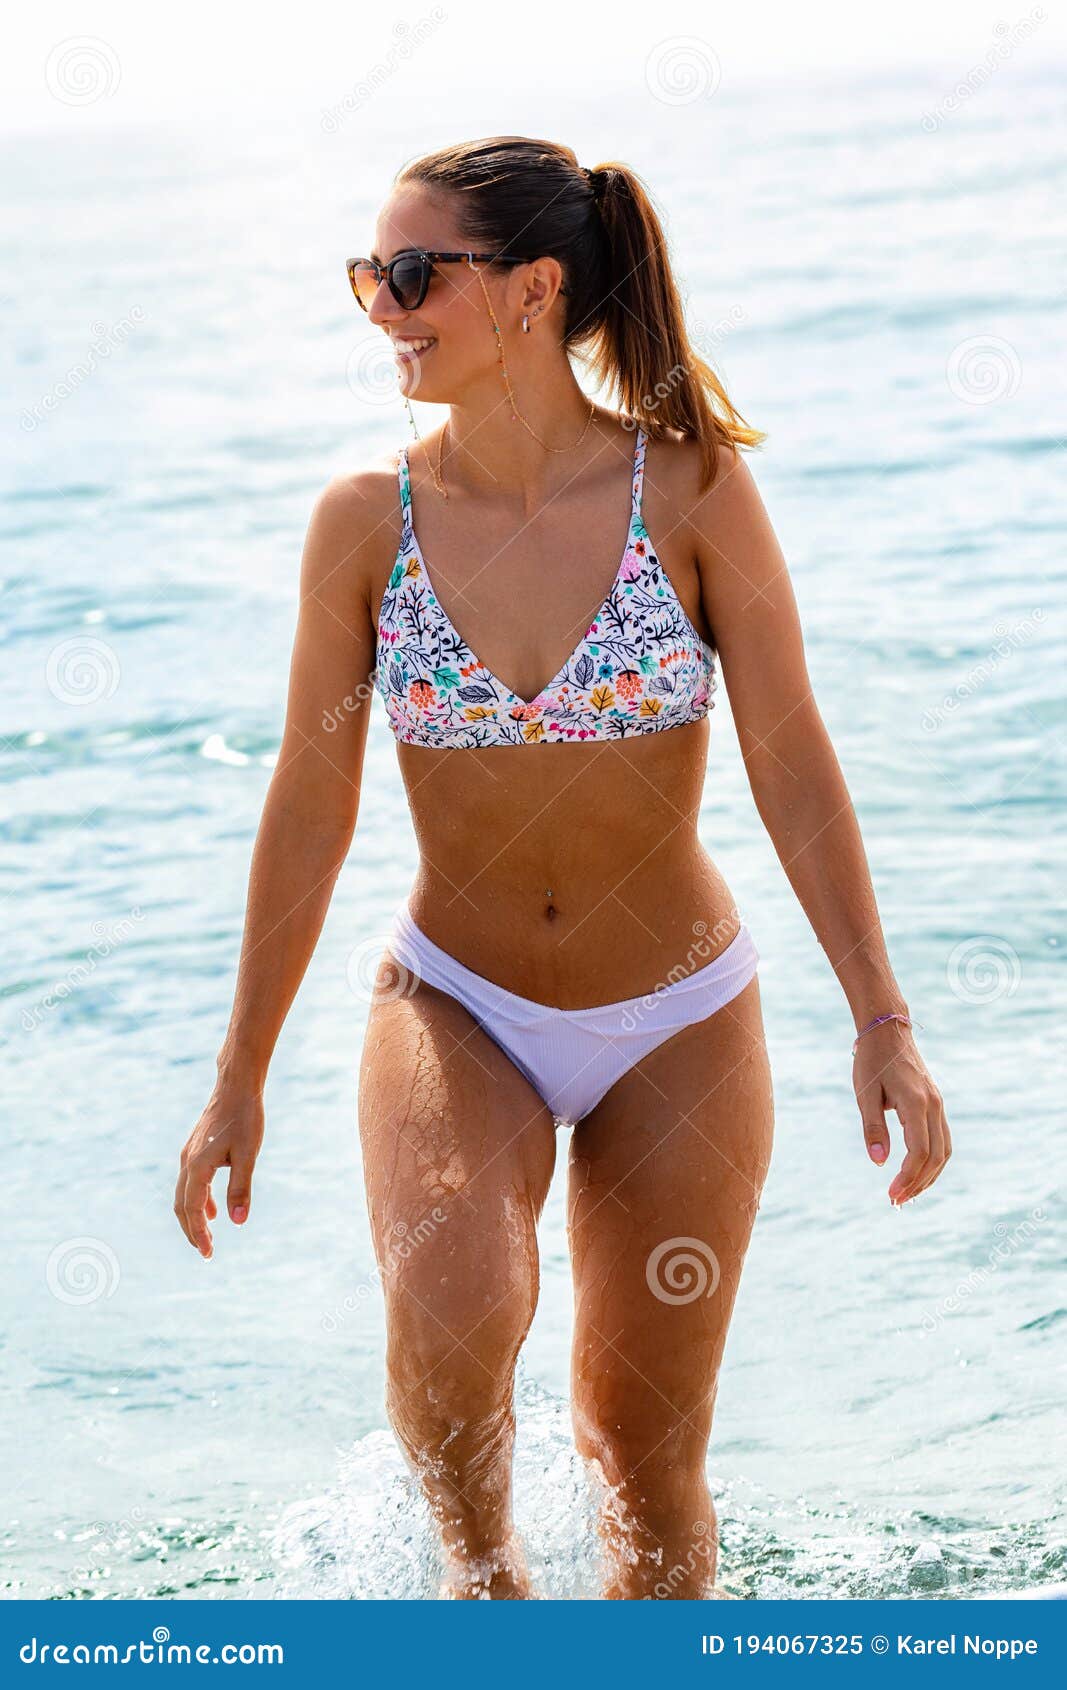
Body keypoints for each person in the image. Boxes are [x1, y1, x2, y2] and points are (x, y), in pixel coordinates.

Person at [174, 136, 951, 1600]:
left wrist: (884, 1024)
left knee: (647, 1457)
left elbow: (793, 762)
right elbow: (309, 803)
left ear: (531, 290)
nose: (381, 306)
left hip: (679, 1012)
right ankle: (486, 1598)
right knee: (457, 1322)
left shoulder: (694, 494)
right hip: (456, 996)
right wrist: (239, 1076)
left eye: (412, 274)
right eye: (367, 274)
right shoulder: (363, 525)